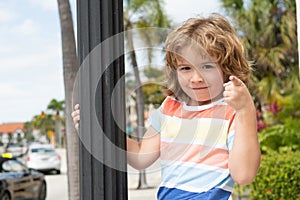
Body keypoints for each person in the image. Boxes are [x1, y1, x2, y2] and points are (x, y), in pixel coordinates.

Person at [72, 14, 260, 200]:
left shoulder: (231, 111)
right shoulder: (170, 107)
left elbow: (244, 175)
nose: (196, 78)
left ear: (228, 67)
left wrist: (245, 110)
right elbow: (140, 157)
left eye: (207, 66)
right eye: (186, 68)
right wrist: (101, 129)